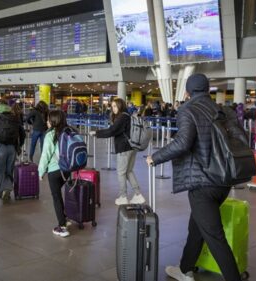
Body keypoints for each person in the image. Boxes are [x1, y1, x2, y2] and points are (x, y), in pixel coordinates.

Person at [146, 74, 242, 281]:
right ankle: (184, 268)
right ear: (207, 89)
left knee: (215, 237)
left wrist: (155, 157)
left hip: (202, 183)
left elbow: (182, 143)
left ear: (188, 92)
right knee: (197, 226)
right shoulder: (224, 110)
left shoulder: (188, 110)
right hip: (224, 180)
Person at [90, 98, 146, 206]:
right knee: (128, 171)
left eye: (115, 106)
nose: (113, 108)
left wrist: (96, 133)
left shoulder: (122, 117)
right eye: (112, 106)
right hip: (132, 147)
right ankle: (138, 194)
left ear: (120, 106)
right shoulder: (127, 115)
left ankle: (123, 196)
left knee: (121, 173)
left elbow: (112, 131)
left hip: (124, 148)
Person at [38, 110, 71, 238]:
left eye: (48, 119)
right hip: (67, 170)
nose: (46, 122)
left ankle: (62, 227)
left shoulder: (50, 135)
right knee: (60, 195)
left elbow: (45, 155)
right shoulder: (69, 131)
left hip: (55, 171)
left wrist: (41, 171)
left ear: (53, 121)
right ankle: (65, 219)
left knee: (56, 197)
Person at [0, 100, 25, 201]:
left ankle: (6, 187)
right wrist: (19, 145)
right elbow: (22, 133)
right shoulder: (14, 116)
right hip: (12, 147)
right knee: (8, 171)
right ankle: (2, 190)